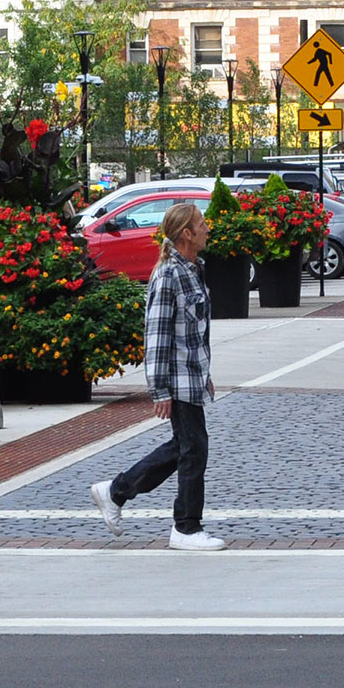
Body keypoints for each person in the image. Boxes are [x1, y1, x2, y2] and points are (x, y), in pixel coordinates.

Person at [91, 202, 222, 550]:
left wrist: (205, 373)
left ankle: (116, 492)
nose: (207, 228)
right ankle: (186, 528)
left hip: (191, 376)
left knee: (186, 447)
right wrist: (160, 390)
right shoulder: (168, 275)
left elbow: (195, 333)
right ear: (186, 234)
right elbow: (157, 335)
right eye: (201, 224)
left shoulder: (194, 269)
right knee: (194, 451)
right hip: (177, 380)